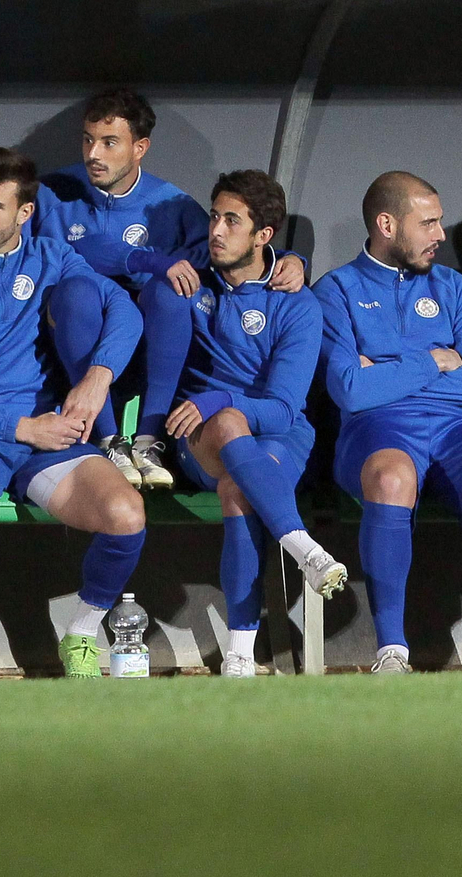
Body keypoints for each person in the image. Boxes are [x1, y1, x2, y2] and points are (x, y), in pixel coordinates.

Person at [0, 90, 304, 490]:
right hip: (69, 340)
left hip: (150, 348)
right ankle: (108, 440)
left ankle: (149, 439)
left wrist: (293, 259)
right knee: (78, 293)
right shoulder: (54, 193)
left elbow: (233, 250)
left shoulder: (171, 205)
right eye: (88, 139)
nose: (94, 154)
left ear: (140, 148)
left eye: (109, 143)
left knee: (170, 290)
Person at [0, 147, 148, 680]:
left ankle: (83, 633)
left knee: (127, 515)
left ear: (24, 212)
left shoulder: (52, 257)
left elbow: (126, 311)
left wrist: (97, 377)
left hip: (53, 433)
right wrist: (23, 428)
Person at [314, 171, 462, 673]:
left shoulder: (453, 286)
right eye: (429, 223)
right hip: (375, 430)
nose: (440, 234)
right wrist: (434, 359)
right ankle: (391, 650)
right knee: (392, 477)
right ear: (387, 224)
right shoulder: (337, 290)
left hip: (454, 426)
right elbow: (350, 389)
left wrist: (386, 371)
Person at [162, 170, 346, 677]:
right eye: (215, 216)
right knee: (224, 427)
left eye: (232, 221)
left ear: (263, 236)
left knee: (237, 489)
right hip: (200, 434)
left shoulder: (298, 304)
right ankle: (302, 547)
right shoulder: (194, 278)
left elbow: (285, 408)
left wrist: (222, 397)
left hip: (280, 433)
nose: (216, 230)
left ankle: (239, 653)